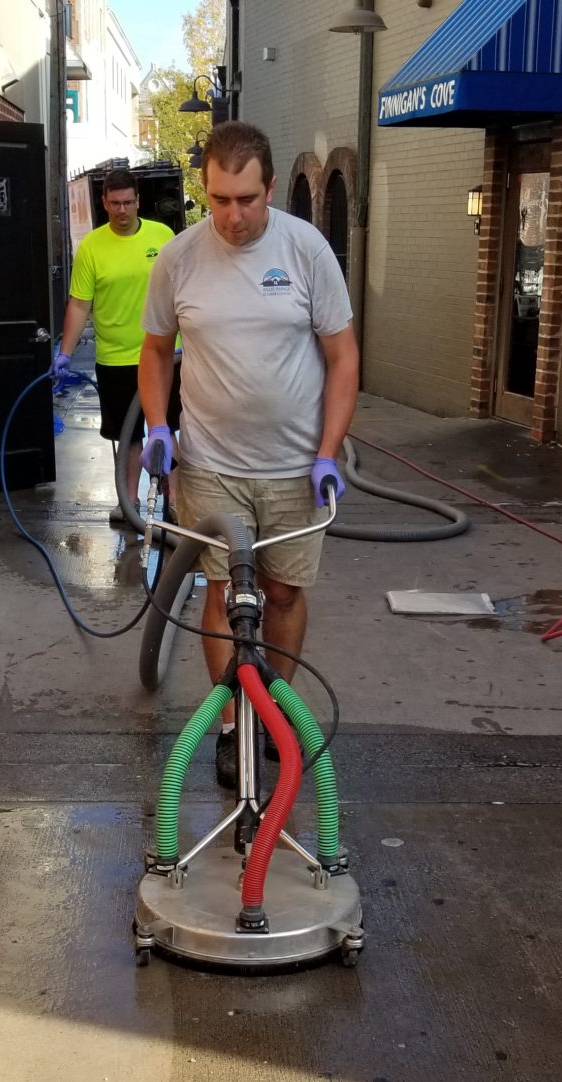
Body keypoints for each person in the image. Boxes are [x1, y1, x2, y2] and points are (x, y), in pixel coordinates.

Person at [137, 120, 358, 790]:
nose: (232, 216)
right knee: (225, 592)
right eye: (219, 200)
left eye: (247, 200)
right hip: (210, 464)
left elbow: (342, 356)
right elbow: (154, 350)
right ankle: (234, 718)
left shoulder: (307, 251)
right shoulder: (178, 258)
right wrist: (156, 426)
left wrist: (327, 451)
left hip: (294, 466)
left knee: (284, 592)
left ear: (269, 190)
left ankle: (276, 711)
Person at [55, 168, 177, 505]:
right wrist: (65, 352)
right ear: (104, 203)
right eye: (114, 204)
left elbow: (183, 291)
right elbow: (80, 304)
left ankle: (176, 500)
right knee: (128, 435)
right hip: (116, 359)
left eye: (127, 202)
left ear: (138, 201)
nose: (121, 210)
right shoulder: (92, 247)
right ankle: (128, 503)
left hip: (167, 355)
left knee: (167, 428)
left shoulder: (163, 236)